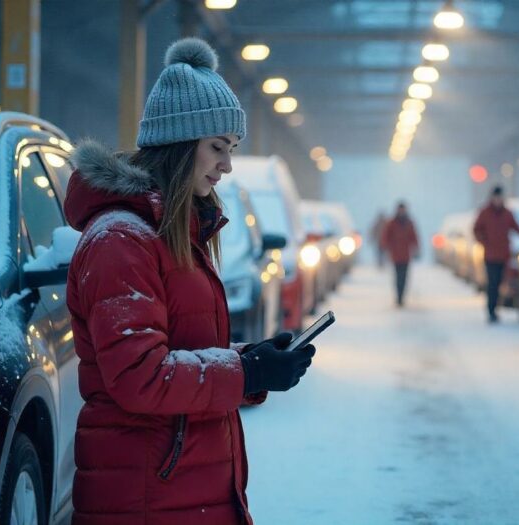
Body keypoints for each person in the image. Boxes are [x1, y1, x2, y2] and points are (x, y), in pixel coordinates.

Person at [64, 38, 315, 525]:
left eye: (232, 149)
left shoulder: (175, 235)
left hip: (179, 490)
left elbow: (181, 349)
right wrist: (249, 374)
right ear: (180, 146)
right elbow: (140, 377)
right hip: (144, 498)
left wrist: (253, 358)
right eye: (217, 147)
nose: (227, 164)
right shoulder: (121, 240)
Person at [473, 185, 519, 323]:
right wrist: (484, 241)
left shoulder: (507, 213)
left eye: (500, 197)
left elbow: (516, 227)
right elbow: (476, 229)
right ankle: (491, 310)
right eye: (496, 197)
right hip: (490, 255)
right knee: (492, 283)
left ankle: (495, 309)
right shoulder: (485, 213)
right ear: (492, 198)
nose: (498, 200)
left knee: (499, 283)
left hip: (503, 255)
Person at [381, 202, 419, 307]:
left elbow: (414, 237)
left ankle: (402, 296)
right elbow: (386, 236)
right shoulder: (392, 223)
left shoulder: (409, 223)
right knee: (398, 277)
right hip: (395, 255)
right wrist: (386, 247)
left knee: (404, 277)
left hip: (406, 255)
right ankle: (399, 297)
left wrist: (416, 248)